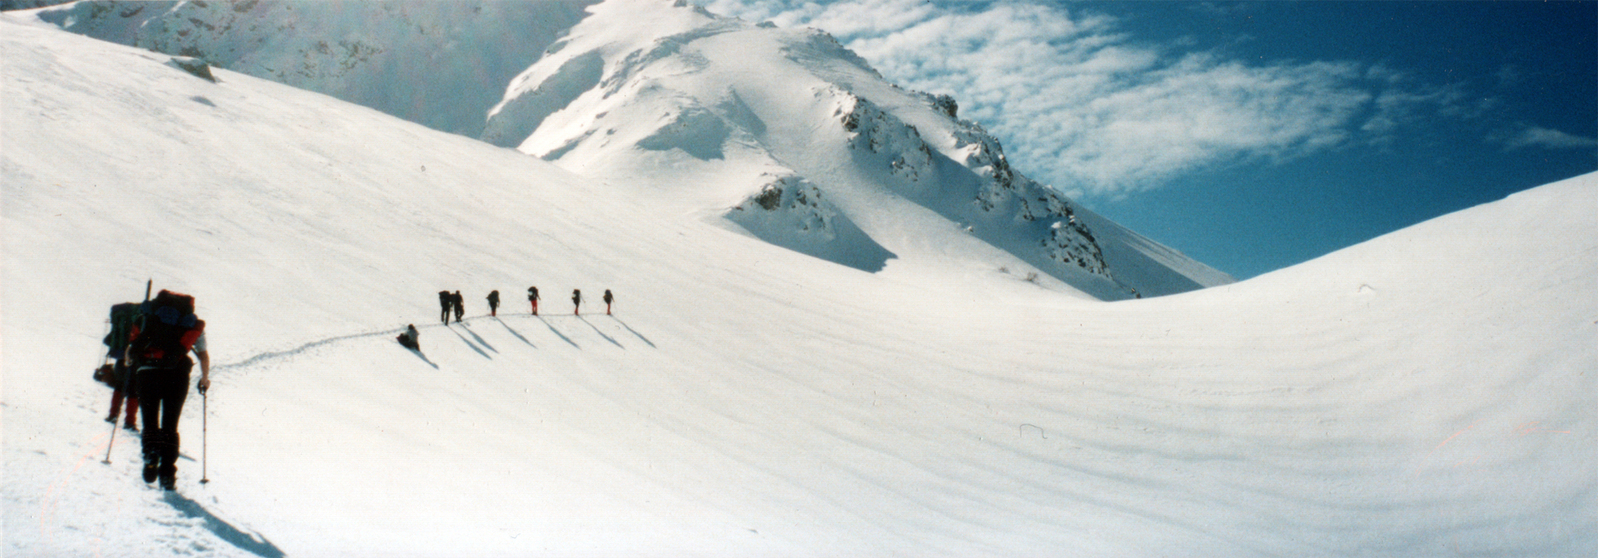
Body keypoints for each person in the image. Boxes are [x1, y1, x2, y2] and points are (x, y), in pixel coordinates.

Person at [126, 290, 209, 490]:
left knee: (149, 420)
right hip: (177, 374)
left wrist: (132, 362)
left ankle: (150, 454)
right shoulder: (190, 323)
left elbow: (130, 352)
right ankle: (167, 474)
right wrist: (205, 379)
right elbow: (203, 356)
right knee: (170, 425)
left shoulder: (146, 317)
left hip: (147, 373)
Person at [102, 302, 141, 431]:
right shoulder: (142, 322)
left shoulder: (123, 323)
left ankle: (113, 415)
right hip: (136, 360)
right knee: (134, 390)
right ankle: (129, 422)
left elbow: (107, 340)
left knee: (119, 386)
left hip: (120, 360)